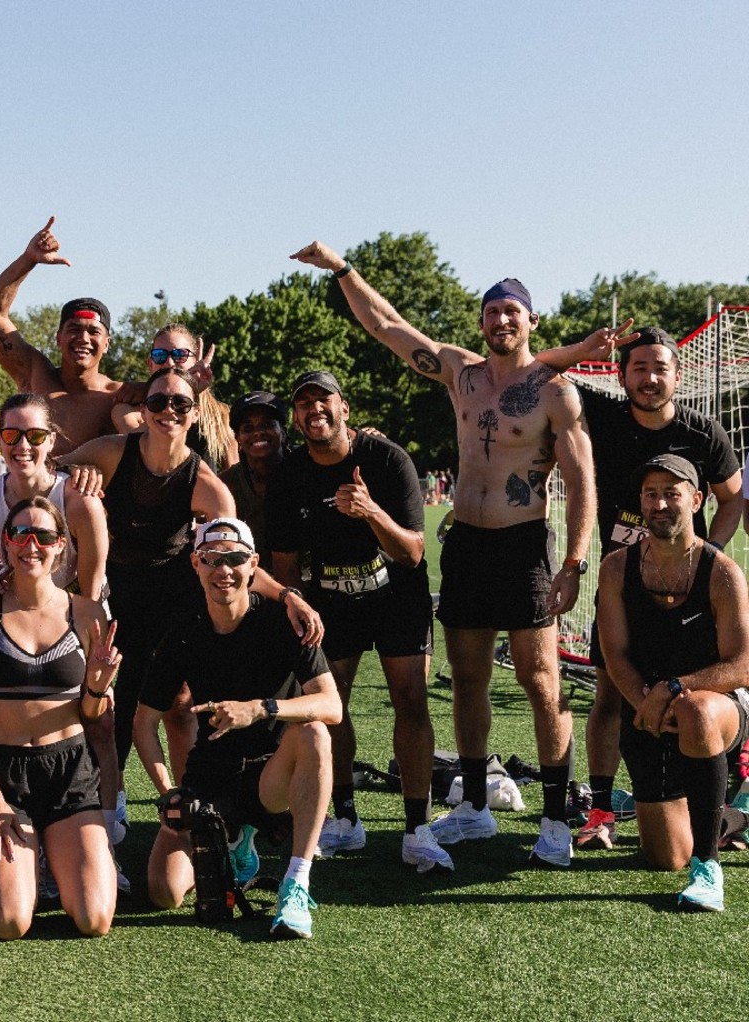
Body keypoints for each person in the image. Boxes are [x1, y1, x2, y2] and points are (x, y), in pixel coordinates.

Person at [291, 242, 595, 867]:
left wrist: (574, 562)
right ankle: (477, 807)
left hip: (524, 544)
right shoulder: (463, 373)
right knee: (468, 681)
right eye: (493, 312)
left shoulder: (556, 393)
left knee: (542, 682)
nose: (502, 321)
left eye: (513, 311)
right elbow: (387, 326)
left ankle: (556, 818)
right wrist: (342, 269)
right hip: (467, 546)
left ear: (532, 321)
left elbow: (583, 479)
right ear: (481, 322)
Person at [60, 367, 323, 782]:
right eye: (158, 401)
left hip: (173, 597)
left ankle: (188, 795)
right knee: (107, 702)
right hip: (115, 592)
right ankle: (109, 804)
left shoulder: (209, 488)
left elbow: (236, 561)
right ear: (143, 411)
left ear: (195, 413)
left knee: (180, 706)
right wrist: (73, 476)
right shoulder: (111, 452)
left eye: (180, 403)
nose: (169, 410)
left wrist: (288, 595)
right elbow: (40, 476)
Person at [538, 324, 742, 849]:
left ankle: (723, 801)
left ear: (679, 374)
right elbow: (535, 370)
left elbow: (734, 498)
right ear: (621, 374)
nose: (650, 378)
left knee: (703, 689)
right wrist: (582, 351)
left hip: (686, 584)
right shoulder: (601, 416)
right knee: (610, 692)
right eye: (639, 368)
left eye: (660, 368)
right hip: (626, 582)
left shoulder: (704, 433)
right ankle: (602, 808)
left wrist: (707, 556)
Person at [266, 370, 451, 872]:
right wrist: (298, 610)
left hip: (397, 596)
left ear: (344, 407)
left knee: (410, 700)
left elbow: (413, 553)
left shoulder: (387, 459)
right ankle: (344, 817)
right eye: (303, 404)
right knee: (331, 706)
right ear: (297, 418)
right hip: (331, 599)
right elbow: (283, 562)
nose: (314, 411)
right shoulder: (290, 472)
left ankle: (417, 828)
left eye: (323, 400)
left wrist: (370, 512)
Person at [134, 518, 340, 939]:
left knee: (314, 732)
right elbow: (144, 723)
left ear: (253, 565)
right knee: (164, 892)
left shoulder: (286, 622)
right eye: (212, 558)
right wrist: (167, 792)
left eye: (235, 559)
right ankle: (235, 842)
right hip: (210, 775)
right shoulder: (183, 629)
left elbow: (331, 705)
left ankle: (296, 884)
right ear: (196, 563)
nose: (223, 570)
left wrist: (260, 709)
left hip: (271, 775)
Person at [0, 394, 121, 872]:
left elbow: (90, 591)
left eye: (35, 436)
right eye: (12, 435)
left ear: (52, 440)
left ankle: (108, 833)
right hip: (13, 612)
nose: (23, 446)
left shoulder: (78, 499)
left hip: (74, 614)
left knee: (98, 722)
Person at [0, 496, 119, 939]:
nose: (31, 544)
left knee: (94, 919)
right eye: (19, 533)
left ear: (61, 544)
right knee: (10, 922)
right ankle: (29, 864)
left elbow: (93, 715)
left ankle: (52, 857)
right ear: (5, 542)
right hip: (4, 774)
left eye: (44, 535)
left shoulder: (87, 613)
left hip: (69, 772)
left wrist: (98, 686)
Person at [596, 455, 749, 911]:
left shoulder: (721, 572)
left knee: (696, 710)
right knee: (665, 857)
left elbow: (742, 664)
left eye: (672, 493)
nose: (660, 503)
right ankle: (727, 819)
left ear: (697, 500)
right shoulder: (616, 568)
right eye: (650, 493)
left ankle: (709, 869)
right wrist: (644, 702)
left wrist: (673, 689)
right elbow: (616, 654)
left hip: (715, 709)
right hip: (645, 712)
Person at [0, 217, 135, 456]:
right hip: (33, 493)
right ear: (58, 338)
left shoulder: (119, 396)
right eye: (73, 329)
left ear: (107, 343)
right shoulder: (35, 375)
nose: (83, 337)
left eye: (94, 331)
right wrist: (28, 260)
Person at [111, 323, 238, 473]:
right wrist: (179, 391)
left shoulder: (220, 416)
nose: (170, 363)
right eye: (160, 355)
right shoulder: (127, 410)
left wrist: (191, 391)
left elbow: (233, 479)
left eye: (180, 355)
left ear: (196, 359)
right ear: (150, 364)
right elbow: (141, 444)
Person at [218, 391, 289, 572]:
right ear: (237, 438)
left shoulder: (305, 469)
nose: (257, 432)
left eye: (267, 424)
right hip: (252, 582)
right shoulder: (225, 485)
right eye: (247, 428)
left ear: (283, 431)